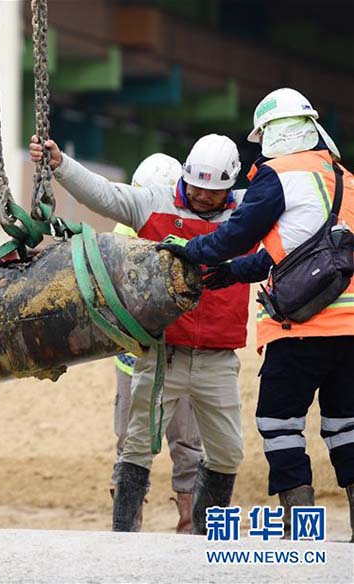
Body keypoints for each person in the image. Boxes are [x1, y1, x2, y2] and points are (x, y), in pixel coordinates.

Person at [158, 88, 354, 541]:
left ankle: (300, 529)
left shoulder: (277, 174)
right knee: (345, 425)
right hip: (350, 329)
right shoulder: (341, 177)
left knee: (279, 422)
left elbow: (235, 235)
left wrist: (189, 252)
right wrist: (231, 275)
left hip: (300, 327)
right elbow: (301, 251)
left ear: (270, 134)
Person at [31, 133, 252, 535]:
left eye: (212, 191)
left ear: (230, 185)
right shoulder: (154, 202)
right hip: (162, 352)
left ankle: (202, 534)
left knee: (227, 452)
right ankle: (124, 535)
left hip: (218, 357)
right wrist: (60, 164)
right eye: (197, 187)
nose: (202, 197)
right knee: (137, 445)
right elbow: (102, 195)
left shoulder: (248, 215)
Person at [109, 154, 202, 534]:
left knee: (185, 445)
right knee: (135, 444)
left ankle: (188, 523)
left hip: (176, 353)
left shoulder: (187, 226)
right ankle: (132, 524)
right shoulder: (123, 231)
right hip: (137, 360)